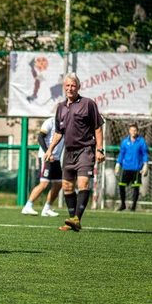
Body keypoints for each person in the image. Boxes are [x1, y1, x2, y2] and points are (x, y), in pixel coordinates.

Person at [43, 72, 105, 232]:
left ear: (78, 87)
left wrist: (99, 149)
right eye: (67, 86)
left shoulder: (88, 103)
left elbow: (98, 127)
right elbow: (58, 132)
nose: (70, 88)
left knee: (83, 183)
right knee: (67, 187)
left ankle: (77, 218)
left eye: (73, 86)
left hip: (85, 149)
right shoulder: (61, 108)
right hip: (68, 152)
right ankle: (72, 220)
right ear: (64, 88)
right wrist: (50, 149)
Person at [21, 117, 63, 217]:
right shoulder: (50, 122)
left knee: (58, 184)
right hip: (46, 157)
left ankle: (47, 208)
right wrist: (47, 152)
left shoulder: (66, 124)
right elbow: (40, 137)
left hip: (56, 158)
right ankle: (28, 206)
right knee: (44, 183)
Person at [114, 124, 148, 211]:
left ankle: (133, 207)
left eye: (135, 130)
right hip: (126, 168)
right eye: (132, 130)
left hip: (136, 168)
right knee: (121, 185)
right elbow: (121, 154)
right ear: (129, 131)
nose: (134, 132)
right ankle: (122, 204)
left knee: (135, 188)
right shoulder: (125, 142)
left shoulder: (141, 142)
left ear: (137, 131)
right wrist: (118, 164)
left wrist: (145, 165)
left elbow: (144, 154)